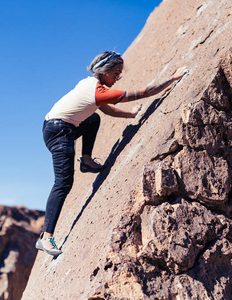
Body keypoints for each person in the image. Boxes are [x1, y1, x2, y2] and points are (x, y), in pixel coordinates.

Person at [36, 51, 188, 256]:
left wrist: (131, 115)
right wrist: (172, 79)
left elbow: (105, 110)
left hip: (58, 127)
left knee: (93, 120)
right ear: (105, 71)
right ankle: (46, 237)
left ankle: (87, 161)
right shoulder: (98, 92)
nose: (118, 77)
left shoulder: (89, 84)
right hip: (59, 132)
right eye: (116, 73)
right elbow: (141, 93)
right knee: (63, 183)